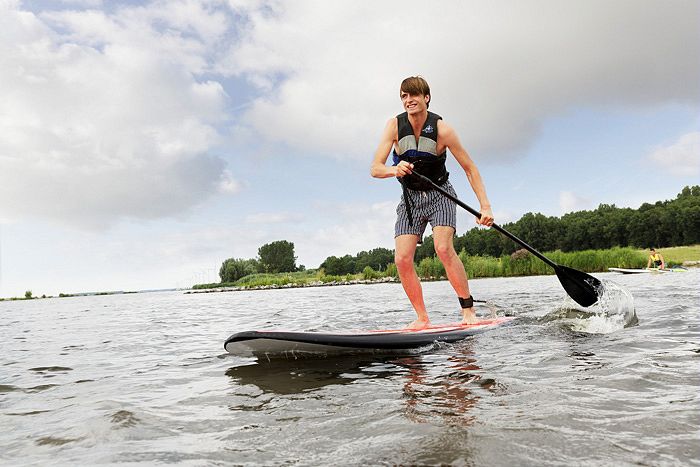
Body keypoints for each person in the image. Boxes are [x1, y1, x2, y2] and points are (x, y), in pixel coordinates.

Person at [370, 76, 494, 329]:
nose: (408, 100)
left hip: (440, 195)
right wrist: (394, 170)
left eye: (413, 95)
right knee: (402, 259)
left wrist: (485, 207)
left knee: (443, 249)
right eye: (404, 96)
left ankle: (468, 312)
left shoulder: (443, 129)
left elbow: (470, 169)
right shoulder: (394, 126)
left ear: (426, 98)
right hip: (410, 200)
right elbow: (375, 168)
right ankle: (422, 318)